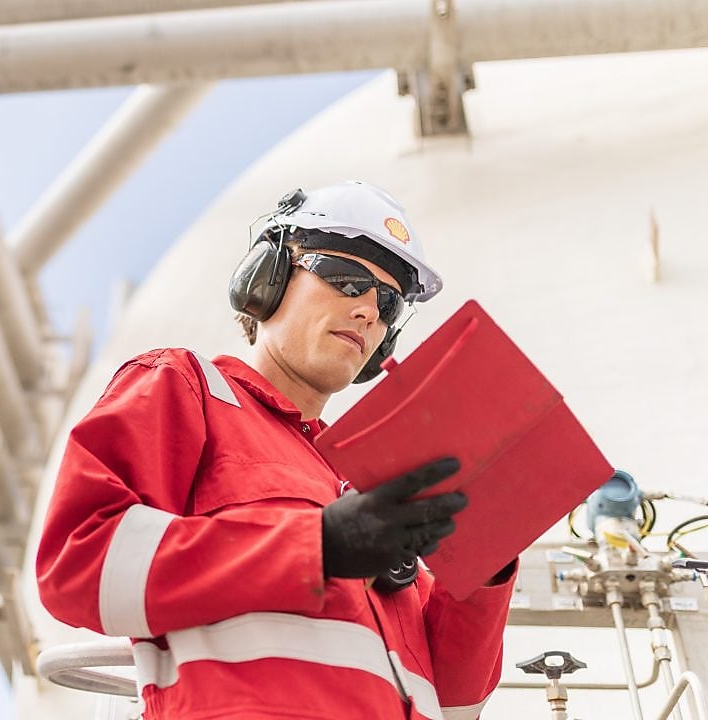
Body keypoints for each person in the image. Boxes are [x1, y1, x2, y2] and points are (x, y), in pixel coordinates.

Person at [36, 181, 515, 720]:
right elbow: (77, 564)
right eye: (346, 279)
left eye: (387, 303)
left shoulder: (367, 481)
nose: (367, 313)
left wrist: (485, 566)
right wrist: (317, 546)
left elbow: (454, 702)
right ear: (268, 279)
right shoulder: (186, 388)